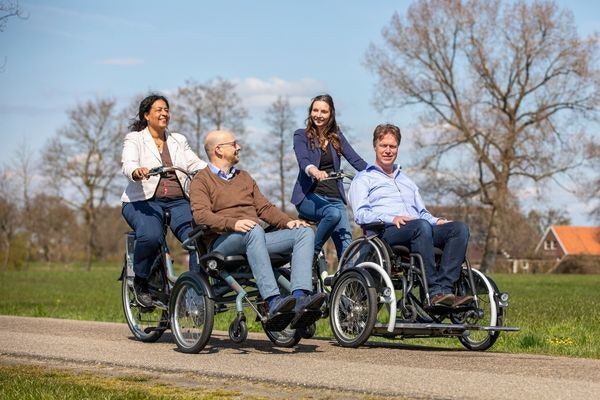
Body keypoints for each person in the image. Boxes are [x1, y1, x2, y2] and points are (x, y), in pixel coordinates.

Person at [190, 129, 327, 331]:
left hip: (254, 237)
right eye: (234, 144)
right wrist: (233, 224)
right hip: (223, 243)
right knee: (253, 229)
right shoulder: (201, 180)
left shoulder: (244, 177)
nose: (239, 147)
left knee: (304, 232)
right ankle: (272, 301)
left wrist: (288, 222)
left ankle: (300, 299)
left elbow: (264, 208)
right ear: (218, 150)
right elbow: (201, 215)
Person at [348, 123, 472, 307]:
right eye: (384, 146)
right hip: (387, 232)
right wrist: (392, 218)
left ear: (398, 148)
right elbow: (361, 215)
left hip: (419, 228)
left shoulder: (407, 181)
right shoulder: (364, 178)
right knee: (421, 226)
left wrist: (437, 221)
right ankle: (433, 293)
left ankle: (446, 290)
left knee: (459, 229)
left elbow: (422, 213)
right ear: (375, 146)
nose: (388, 150)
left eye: (392, 146)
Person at [121, 94, 207, 307]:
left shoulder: (178, 140)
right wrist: (137, 171)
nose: (164, 113)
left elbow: (194, 163)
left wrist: (216, 171)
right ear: (146, 115)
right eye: (158, 110)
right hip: (143, 201)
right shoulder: (135, 139)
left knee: (198, 238)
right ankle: (140, 280)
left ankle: (194, 291)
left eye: (166, 109)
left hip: (178, 201)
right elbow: (128, 164)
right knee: (150, 237)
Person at [291, 94, 367, 262]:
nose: (319, 115)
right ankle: (309, 254)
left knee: (348, 248)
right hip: (309, 196)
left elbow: (355, 159)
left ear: (331, 114)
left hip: (335, 197)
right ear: (310, 112)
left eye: (323, 111)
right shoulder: (301, 135)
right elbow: (303, 160)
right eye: (315, 110)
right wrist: (313, 170)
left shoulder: (336, 136)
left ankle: (348, 284)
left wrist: (379, 174)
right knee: (332, 214)